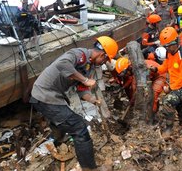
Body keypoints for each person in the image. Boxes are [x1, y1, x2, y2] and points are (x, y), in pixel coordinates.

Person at [30, 36, 118, 170]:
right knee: (79, 128)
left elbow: (82, 91)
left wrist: (93, 100)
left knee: (61, 120)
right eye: (105, 59)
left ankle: (57, 141)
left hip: (49, 96)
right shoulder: (79, 54)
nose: (103, 62)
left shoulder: (88, 67)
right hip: (43, 95)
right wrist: (84, 80)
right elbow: (62, 64)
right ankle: (89, 168)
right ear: (102, 54)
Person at [150, 27, 182, 137]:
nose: (168, 49)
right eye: (166, 46)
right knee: (179, 101)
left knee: (168, 101)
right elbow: (166, 66)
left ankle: (169, 127)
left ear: (176, 41)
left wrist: (170, 88)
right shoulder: (169, 53)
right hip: (176, 83)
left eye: (170, 46)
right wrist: (157, 69)